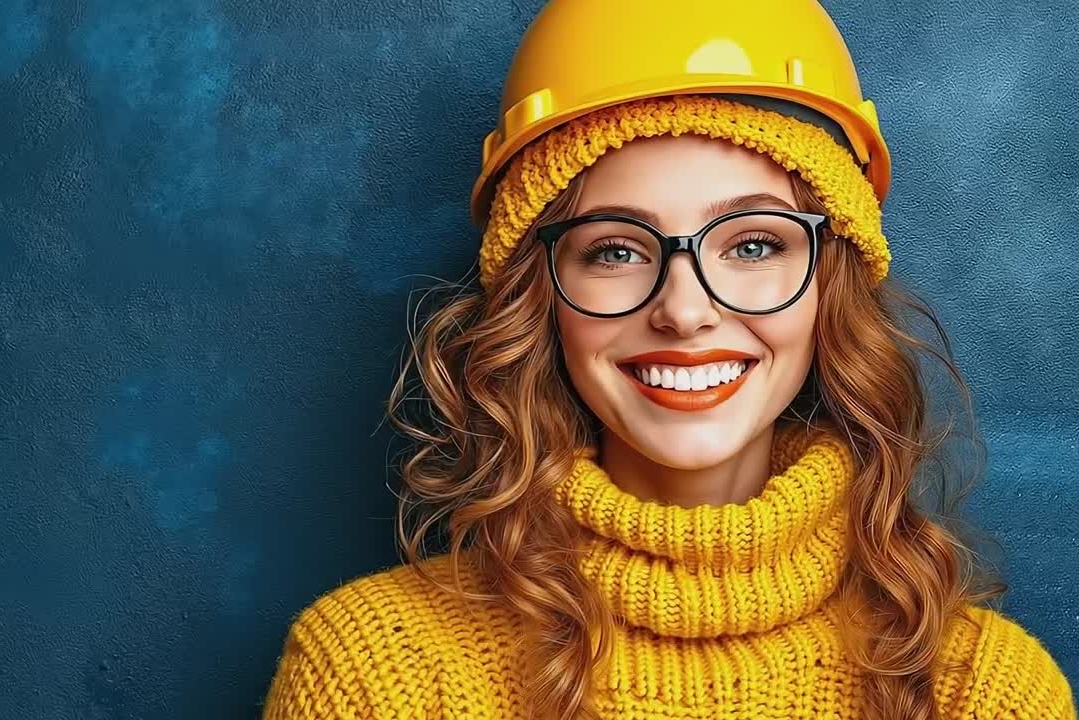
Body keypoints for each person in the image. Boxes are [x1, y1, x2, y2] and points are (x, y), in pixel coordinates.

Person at [262, 1, 1077, 718]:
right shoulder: (375, 675)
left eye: (754, 244)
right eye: (615, 250)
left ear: (830, 287)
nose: (685, 310)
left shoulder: (986, 689)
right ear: (537, 298)